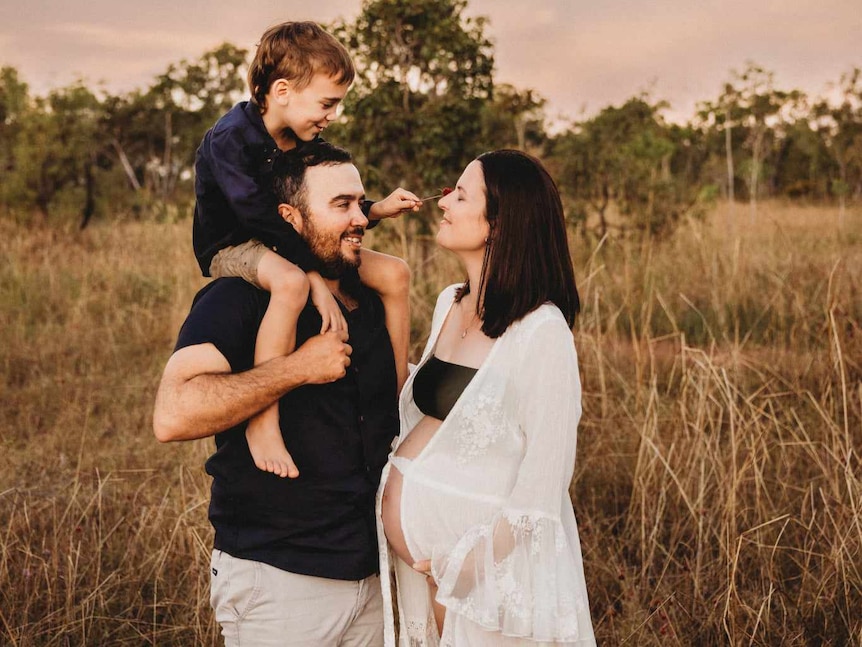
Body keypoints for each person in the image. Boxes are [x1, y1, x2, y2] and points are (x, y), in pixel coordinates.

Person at [154, 141, 399, 646]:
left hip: (375, 574)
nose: (360, 218)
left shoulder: (371, 299)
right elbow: (173, 415)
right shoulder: (240, 297)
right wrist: (295, 370)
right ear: (290, 216)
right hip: (281, 581)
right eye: (341, 206)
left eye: (361, 202)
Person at [377, 150, 597, 645]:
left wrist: (468, 566)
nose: (443, 203)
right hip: (427, 572)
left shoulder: (542, 329)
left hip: (487, 578)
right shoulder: (450, 302)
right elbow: (438, 413)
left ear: (499, 223)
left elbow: (546, 476)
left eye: (461, 194)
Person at [194, 21, 419, 479]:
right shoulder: (230, 139)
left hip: (290, 240)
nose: (331, 115)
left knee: (393, 273)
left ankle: (399, 407)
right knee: (292, 283)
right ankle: (263, 422)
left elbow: (327, 201)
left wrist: (376, 209)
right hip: (234, 244)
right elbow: (258, 216)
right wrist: (313, 272)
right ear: (281, 91)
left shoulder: (300, 139)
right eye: (327, 103)